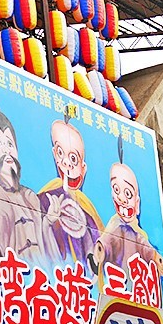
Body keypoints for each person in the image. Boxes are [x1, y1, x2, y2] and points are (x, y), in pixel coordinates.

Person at [0, 98, 61, 282]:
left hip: (43, 283)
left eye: (9, 144)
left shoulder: (30, 196)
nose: (6, 151)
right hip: (21, 284)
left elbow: (43, 240)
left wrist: (48, 221)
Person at [38, 115, 103, 274]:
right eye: (61, 153)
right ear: (54, 154)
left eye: (73, 158)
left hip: (81, 279)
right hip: (55, 275)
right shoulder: (45, 198)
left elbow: (97, 243)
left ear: (83, 168)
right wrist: (48, 221)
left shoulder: (88, 210)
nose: (66, 163)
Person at [91, 155, 163, 287]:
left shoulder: (138, 234)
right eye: (116, 190)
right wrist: (100, 251)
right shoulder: (115, 224)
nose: (121, 198)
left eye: (128, 193)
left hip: (132, 286)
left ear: (137, 203)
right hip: (115, 283)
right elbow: (106, 241)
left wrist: (156, 258)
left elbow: (146, 249)